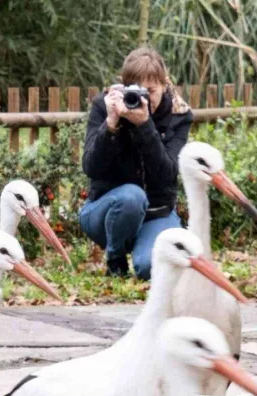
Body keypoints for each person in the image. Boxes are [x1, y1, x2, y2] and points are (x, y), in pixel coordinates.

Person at [79, 47, 193, 280]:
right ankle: (115, 259)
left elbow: (168, 173)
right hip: (107, 211)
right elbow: (90, 167)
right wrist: (111, 124)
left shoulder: (178, 114)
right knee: (132, 196)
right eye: (137, 91)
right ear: (124, 87)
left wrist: (145, 126)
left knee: (150, 268)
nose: (144, 98)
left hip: (156, 213)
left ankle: (142, 250)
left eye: (150, 90)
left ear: (164, 85)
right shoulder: (106, 105)